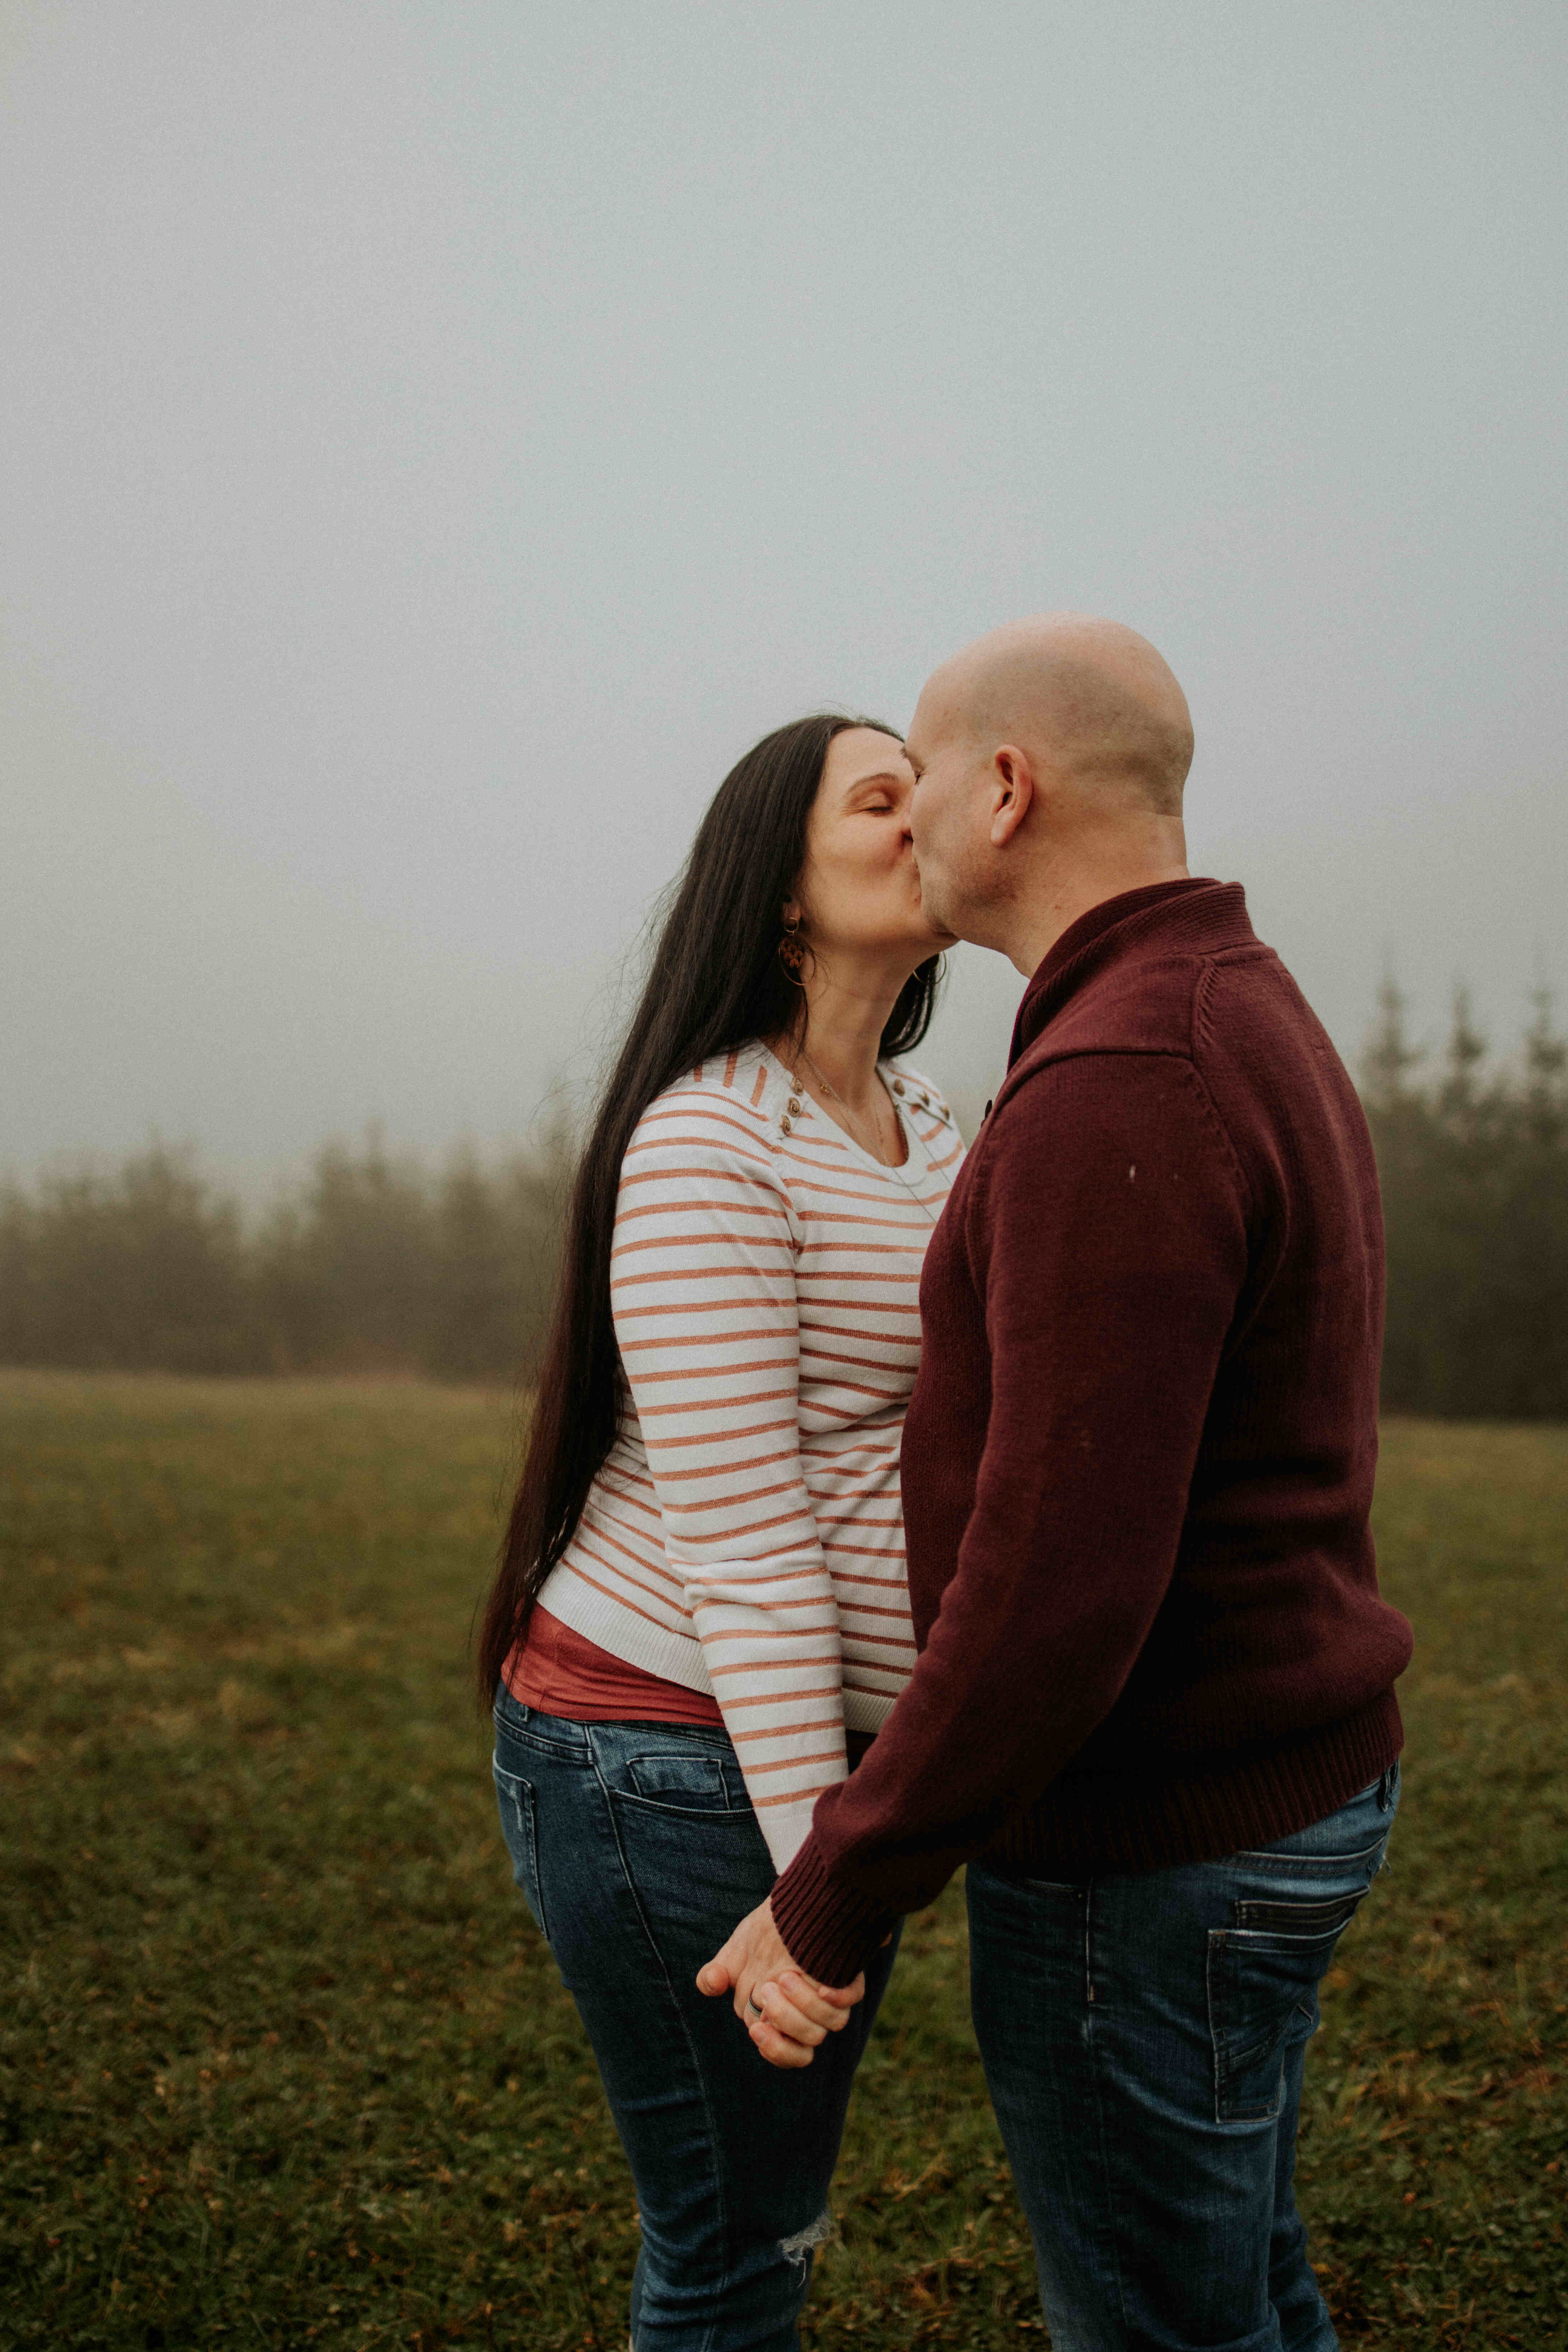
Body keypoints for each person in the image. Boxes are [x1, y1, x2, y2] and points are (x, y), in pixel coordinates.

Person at [703, 618, 1415, 2351]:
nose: (911, 817)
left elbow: (1057, 1589)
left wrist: (834, 1884)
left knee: (1162, 2323)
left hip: (1157, 1856)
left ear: (1004, 789)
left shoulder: (1119, 1074)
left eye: (924, 774)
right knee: (1237, 2278)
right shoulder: (1225, 999)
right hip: (1272, 1793)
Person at [478, 712, 963, 2351]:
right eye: (878, 798)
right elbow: (748, 1551)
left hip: (807, 1767)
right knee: (732, 2243)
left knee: (763, 2221)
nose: (927, 816)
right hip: (666, 1762)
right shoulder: (707, 1143)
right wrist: (823, 1867)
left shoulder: (936, 1127)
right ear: (779, 896)